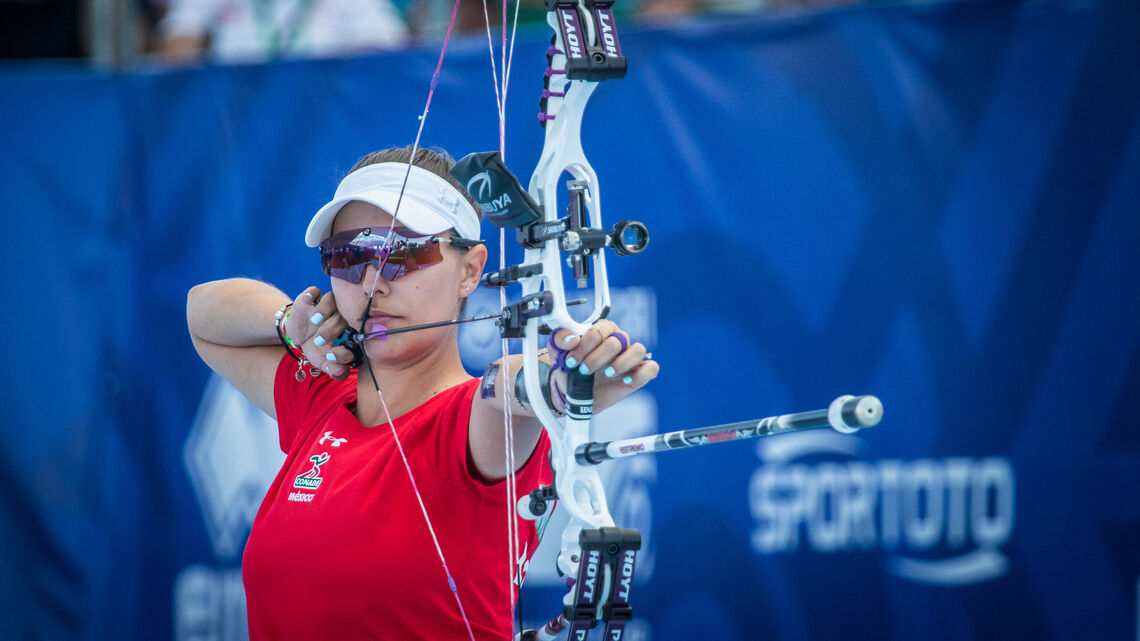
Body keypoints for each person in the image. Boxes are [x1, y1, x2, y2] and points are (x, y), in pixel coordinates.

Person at [185, 145, 658, 640]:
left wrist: (565, 378)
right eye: (348, 257)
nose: (372, 284)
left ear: (471, 270)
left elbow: (512, 392)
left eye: (403, 254)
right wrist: (289, 323)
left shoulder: (469, 428)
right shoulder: (322, 399)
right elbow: (203, 316)